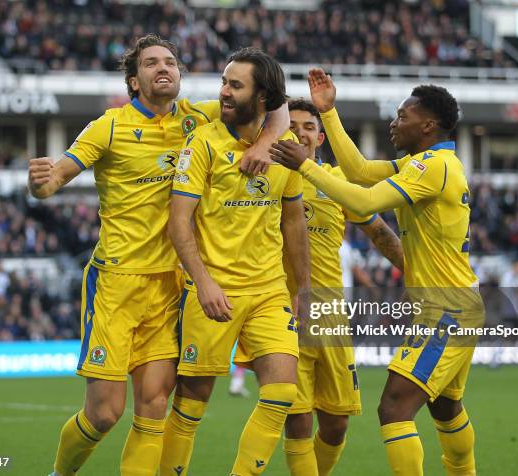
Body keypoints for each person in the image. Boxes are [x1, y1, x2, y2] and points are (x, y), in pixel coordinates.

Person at [28, 34, 288, 476]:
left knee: (153, 408)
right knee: (104, 414)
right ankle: (60, 472)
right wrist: (42, 183)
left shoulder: (198, 117)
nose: (163, 67)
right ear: (134, 80)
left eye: (170, 61)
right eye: (151, 63)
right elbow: (57, 178)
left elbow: (276, 103)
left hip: (171, 286)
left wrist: (264, 145)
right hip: (117, 283)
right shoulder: (108, 126)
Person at [271, 68, 484, 476]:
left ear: (428, 125)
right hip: (456, 303)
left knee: (394, 408)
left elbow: (365, 200)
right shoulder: (426, 163)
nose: (394, 122)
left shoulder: (430, 169)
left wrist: (306, 166)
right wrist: (328, 113)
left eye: (402, 116)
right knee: (446, 407)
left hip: (446, 308)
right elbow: (361, 172)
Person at [162, 47, 310, 476]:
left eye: (234, 85)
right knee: (191, 400)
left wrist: (303, 289)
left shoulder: (286, 151)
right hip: (214, 289)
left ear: (261, 97)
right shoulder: (204, 141)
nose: (223, 92)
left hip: (268, 291)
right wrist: (203, 283)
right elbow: (179, 222)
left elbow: (294, 224)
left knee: (282, 392)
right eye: (224, 83)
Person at [283, 99, 403, 476]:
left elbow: (380, 233)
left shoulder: (335, 180)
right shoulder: (265, 176)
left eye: (307, 126)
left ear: (320, 137)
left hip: (330, 316)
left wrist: (421, 275)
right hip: (282, 310)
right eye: (292, 124)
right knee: (298, 421)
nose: (299, 131)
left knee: (336, 424)